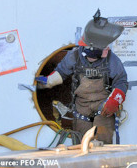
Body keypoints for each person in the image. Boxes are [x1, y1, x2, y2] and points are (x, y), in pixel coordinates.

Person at [36, 10, 128, 144]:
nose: (107, 50)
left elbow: (121, 81)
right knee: (81, 144)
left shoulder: (111, 60)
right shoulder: (74, 56)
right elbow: (61, 73)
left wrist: (115, 99)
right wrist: (45, 82)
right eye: (103, 48)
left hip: (103, 109)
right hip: (81, 110)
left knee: (102, 145)